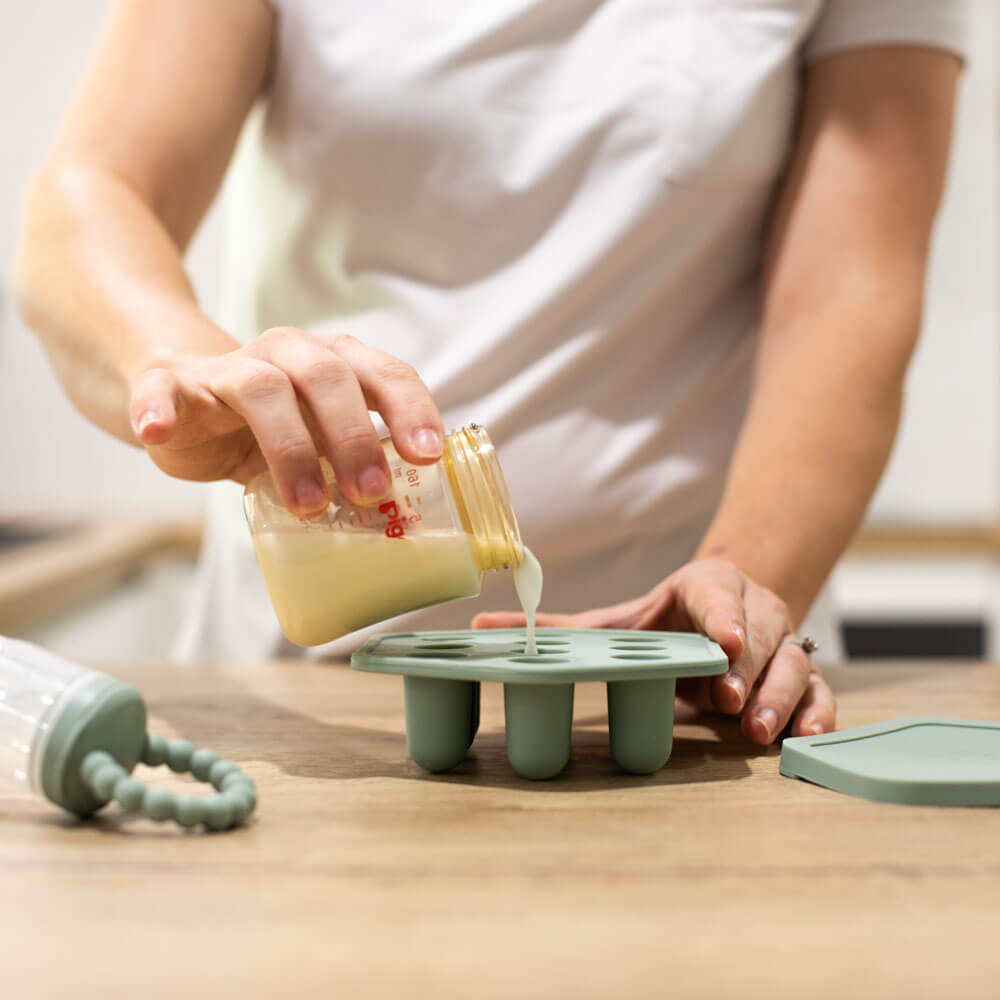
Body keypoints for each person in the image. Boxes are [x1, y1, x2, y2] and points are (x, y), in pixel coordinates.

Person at [15, 1, 967, 746]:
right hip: (309, 698)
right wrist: (179, 364)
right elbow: (91, 194)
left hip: (681, 703)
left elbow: (849, 292)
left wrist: (744, 586)